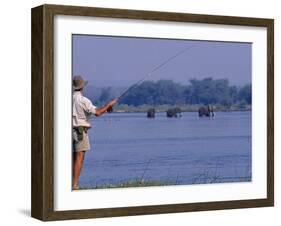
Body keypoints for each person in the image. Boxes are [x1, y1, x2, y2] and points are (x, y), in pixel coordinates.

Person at [72, 75, 117, 190]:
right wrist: (109, 105)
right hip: (80, 132)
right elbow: (97, 113)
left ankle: (70, 184)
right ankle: (74, 185)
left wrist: (106, 108)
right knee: (79, 157)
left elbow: (96, 110)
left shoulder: (70, 98)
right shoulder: (83, 100)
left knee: (73, 158)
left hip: (70, 131)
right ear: (82, 87)